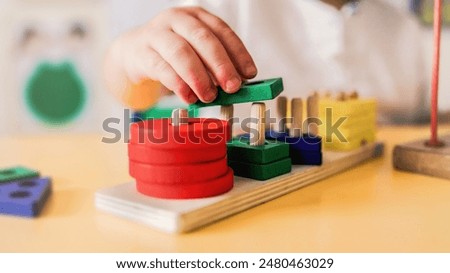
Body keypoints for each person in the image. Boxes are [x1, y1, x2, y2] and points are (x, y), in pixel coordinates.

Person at [105, 0, 427, 124]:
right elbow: (131, 89)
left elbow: (421, 118)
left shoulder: (401, 27)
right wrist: (128, 53)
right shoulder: (223, 7)